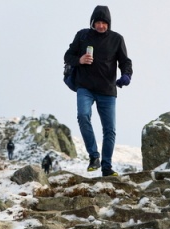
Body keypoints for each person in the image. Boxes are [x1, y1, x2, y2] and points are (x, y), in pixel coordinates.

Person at [64, 5, 133, 177]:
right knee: (83, 116)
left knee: (109, 130)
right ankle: (94, 156)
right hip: (85, 87)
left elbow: (125, 62)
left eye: (104, 23)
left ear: (109, 23)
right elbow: (68, 56)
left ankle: (106, 167)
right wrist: (79, 59)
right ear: (92, 22)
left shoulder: (117, 39)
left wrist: (126, 76)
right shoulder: (82, 36)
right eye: (98, 22)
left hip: (107, 91)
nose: (101, 26)